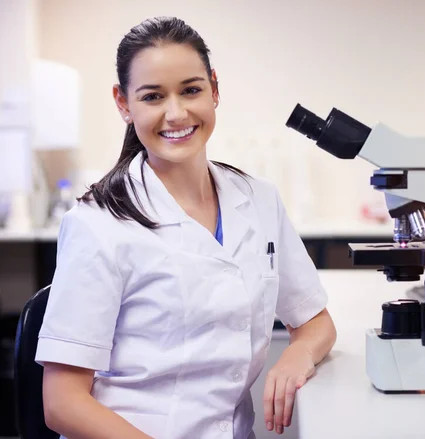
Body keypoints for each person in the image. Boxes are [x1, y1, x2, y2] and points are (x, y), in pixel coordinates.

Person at [35, 16, 336, 439]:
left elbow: (315, 321)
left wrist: (297, 355)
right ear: (124, 103)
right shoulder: (96, 224)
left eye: (191, 90)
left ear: (214, 89)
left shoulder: (258, 199)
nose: (176, 113)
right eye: (153, 96)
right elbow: (62, 403)